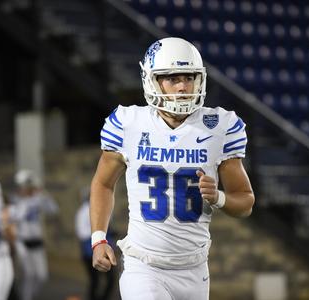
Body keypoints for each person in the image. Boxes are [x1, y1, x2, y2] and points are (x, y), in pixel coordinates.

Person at [89, 37, 255, 300]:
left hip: (195, 268)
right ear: (152, 81)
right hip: (143, 265)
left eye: (189, 78)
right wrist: (98, 239)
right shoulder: (128, 123)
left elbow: (245, 202)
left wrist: (219, 197)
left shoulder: (219, 126)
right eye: (172, 79)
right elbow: (103, 183)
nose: (182, 87)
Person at [10, 169, 59, 300]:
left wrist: (43, 194)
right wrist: (28, 201)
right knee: (29, 274)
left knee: (42, 276)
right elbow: (16, 217)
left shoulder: (38, 198)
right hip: (22, 241)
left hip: (37, 240)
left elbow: (53, 210)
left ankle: (30, 295)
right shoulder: (14, 200)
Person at [75, 188, 116, 300]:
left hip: (105, 250)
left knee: (111, 279)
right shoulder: (83, 211)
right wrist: (99, 233)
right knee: (95, 281)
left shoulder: (104, 208)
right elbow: (82, 233)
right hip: (90, 252)